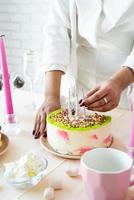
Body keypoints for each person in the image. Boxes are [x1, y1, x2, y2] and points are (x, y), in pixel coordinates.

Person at [33, 0, 134, 139]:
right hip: (77, 80)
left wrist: (119, 82)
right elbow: (57, 32)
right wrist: (51, 95)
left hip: (126, 81)